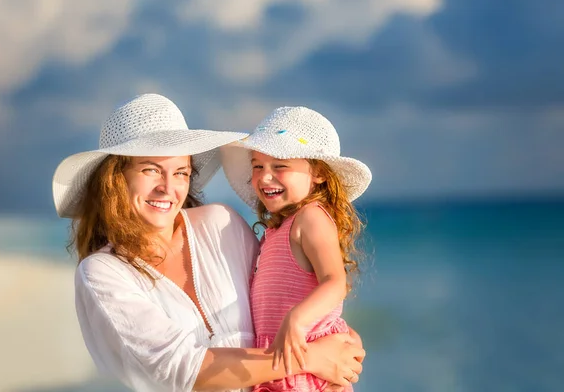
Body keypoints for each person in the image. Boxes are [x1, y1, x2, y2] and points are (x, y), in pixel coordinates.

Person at [52, 94, 365, 392]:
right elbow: (180, 368)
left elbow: (287, 289)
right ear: (116, 178)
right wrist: (311, 358)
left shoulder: (221, 224)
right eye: (151, 170)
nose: (167, 188)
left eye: (181, 173)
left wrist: (343, 342)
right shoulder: (102, 272)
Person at [220, 106, 372, 391]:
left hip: (314, 374)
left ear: (318, 173)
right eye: (257, 166)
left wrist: (296, 319)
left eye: (280, 166)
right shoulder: (275, 232)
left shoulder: (311, 217)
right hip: (280, 368)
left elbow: (335, 282)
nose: (265, 177)